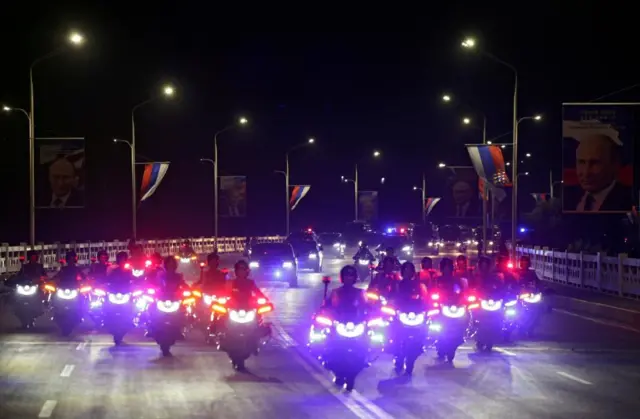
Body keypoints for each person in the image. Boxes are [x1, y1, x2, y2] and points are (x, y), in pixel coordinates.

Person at [563, 133, 633, 212]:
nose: (586, 173)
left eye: (595, 163)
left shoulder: (630, 200)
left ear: (614, 165)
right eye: (581, 162)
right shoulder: (565, 195)